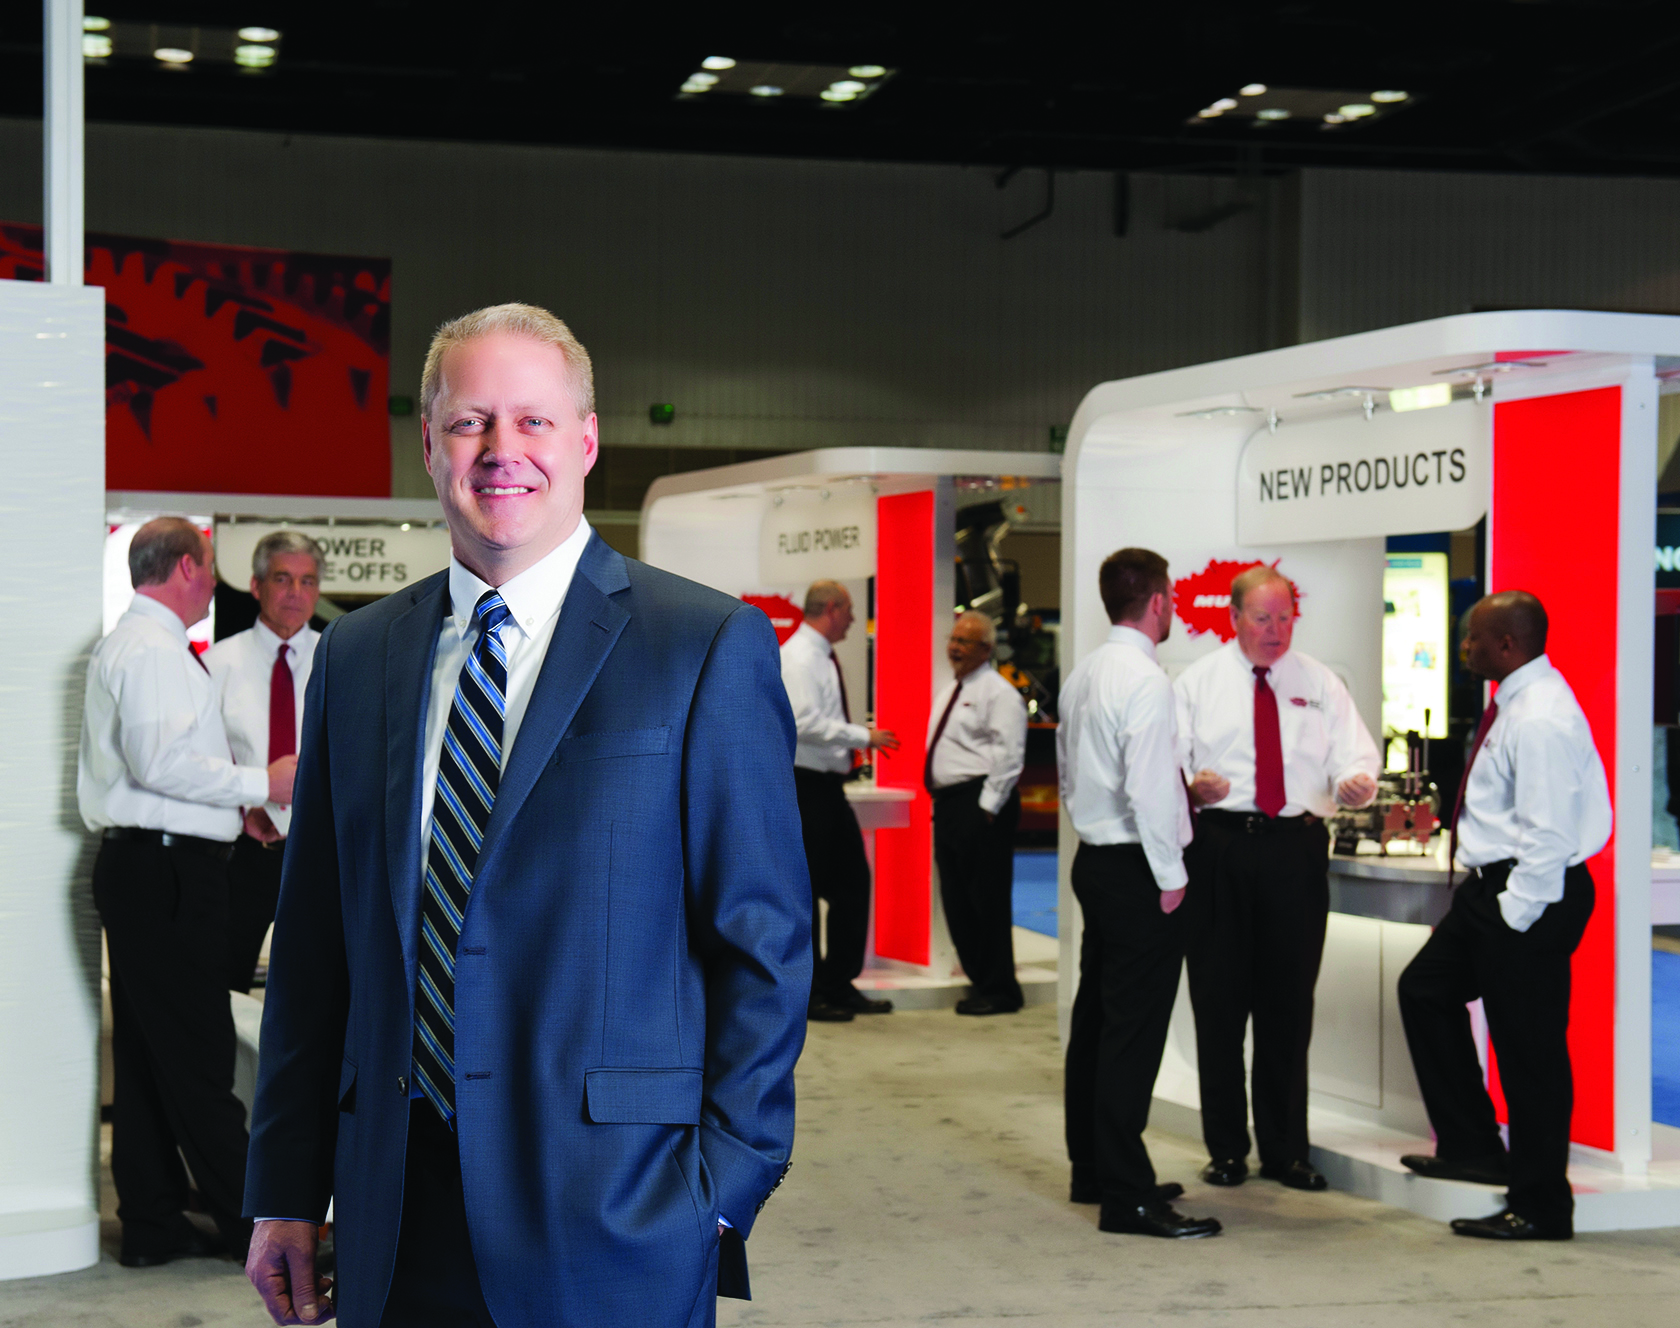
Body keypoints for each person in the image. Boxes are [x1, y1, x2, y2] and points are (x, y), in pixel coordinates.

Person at [242, 304, 811, 1328]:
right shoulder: (359, 656)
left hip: (616, 1208)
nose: (502, 451)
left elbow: (763, 942)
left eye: (534, 421)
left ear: (586, 440)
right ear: (429, 443)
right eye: (470, 422)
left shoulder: (702, 645)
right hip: (395, 1206)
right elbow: (319, 946)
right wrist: (287, 1184)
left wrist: (724, 1186)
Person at [78, 517, 297, 1267]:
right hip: (167, 874)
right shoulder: (152, 649)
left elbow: (160, 771)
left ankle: (153, 1223)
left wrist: (234, 815)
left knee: (146, 1056)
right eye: (208, 566)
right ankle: (253, 1229)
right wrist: (259, 783)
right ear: (180, 568)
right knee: (201, 1058)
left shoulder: (148, 646)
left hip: (153, 865)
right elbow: (158, 762)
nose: (215, 580)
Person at [1397, 591, 1609, 1241]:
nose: (1464, 648)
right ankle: (1473, 1146)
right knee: (1425, 991)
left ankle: (1542, 1205)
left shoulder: (1538, 716)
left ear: (1508, 646)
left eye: (1473, 639)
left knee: (1530, 1053)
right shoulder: (1514, 703)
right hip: (1494, 892)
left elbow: (1547, 834)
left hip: (1527, 894)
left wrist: (1515, 914)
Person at [1174, 565, 1380, 1192]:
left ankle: (1287, 1150)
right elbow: (1169, 760)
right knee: (1219, 1001)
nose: (1275, 630)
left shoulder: (1320, 682)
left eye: (1285, 617)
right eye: (1262, 618)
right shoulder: (1197, 683)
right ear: (1233, 617)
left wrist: (1357, 782)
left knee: (1288, 1005)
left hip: (1294, 851)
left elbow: (1358, 756)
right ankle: (1227, 1148)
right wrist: (1191, 785)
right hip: (1221, 848)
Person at [1059, 548, 1219, 1239]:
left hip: (1097, 858)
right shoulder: (1146, 681)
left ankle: (1095, 1168)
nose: (1176, 608)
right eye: (1174, 598)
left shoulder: (1087, 672)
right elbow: (1151, 790)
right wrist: (1173, 878)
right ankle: (1127, 1194)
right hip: (1138, 870)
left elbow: (1073, 774)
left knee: (1097, 1019)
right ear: (1157, 602)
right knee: (1132, 1033)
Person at [206, 529, 322, 993]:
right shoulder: (217, 665)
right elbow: (197, 764)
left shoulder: (343, 660)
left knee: (318, 991)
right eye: (282, 578)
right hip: (245, 854)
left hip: (319, 855)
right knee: (223, 982)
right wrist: (241, 807)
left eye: (308, 581)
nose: (296, 593)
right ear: (256, 586)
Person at [781, 580, 899, 1022]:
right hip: (806, 786)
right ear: (831, 608)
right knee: (807, 892)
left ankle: (837, 982)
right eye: (849, 610)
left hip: (826, 788)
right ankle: (811, 994)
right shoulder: (798, 657)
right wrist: (862, 735)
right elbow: (802, 721)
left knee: (851, 884)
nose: (853, 619)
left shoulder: (819, 657)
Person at [926, 610, 1027, 1015]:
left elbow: (1009, 754)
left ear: (986, 649)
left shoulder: (998, 693)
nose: (954, 647)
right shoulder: (953, 687)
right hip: (951, 805)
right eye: (953, 639)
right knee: (957, 900)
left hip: (979, 805)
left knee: (986, 900)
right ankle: (982, 981)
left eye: (964, 641)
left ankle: (1001, 990)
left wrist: (987, 808)